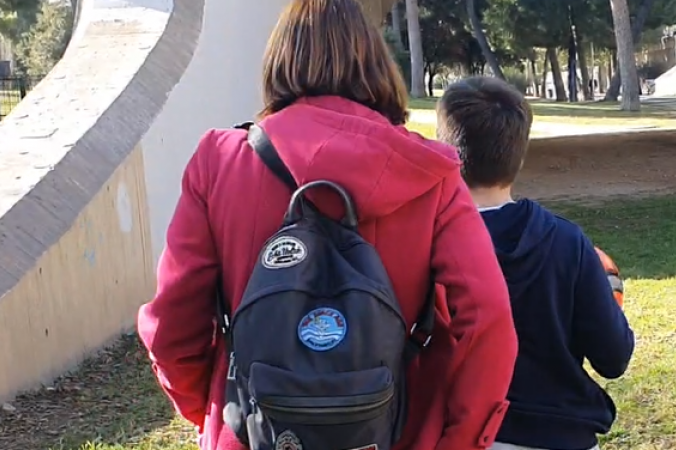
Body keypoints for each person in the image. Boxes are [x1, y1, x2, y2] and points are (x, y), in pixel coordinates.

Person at [136, 1, 518, 450]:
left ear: (281, 59)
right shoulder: (430, 174)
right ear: (376, 63)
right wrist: (459, 439)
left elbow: (172, 324)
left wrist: (216, 406)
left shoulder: (220, 162)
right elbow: (488, 317)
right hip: (393, 430)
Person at [436, 76, 635, 450]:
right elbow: (614, 357)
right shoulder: (568, 243)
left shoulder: (429, 243)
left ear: (446, 150)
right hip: (559, 434)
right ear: (520, 152)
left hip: (459, 432)